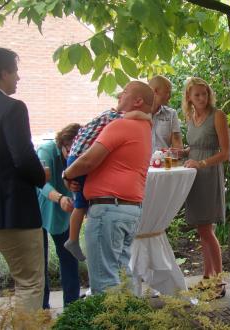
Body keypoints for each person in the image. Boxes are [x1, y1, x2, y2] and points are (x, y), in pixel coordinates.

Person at [62, 81, 154, 294]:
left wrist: (66, 174)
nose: (120, 94)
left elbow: (88, 161)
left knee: (105, 283)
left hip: (108, 210)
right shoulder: (144, 128)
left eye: (126, 92)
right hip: (129, 209)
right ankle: (131, 322)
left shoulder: (120, 125)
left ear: (138, 101)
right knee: (123, 276)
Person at [0, 47, 47, 311]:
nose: (18, 78)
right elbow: (23, 157)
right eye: (15, 72)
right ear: (3, 72)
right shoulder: (12, 108)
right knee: (29, 282)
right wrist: (42, 176)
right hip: (13, 211)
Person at [180, 77, 230, 295]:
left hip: (209, 174)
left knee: (208, 231)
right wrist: (184, 152)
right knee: (202, 230)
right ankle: (207, 277)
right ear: (189, 97)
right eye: (197, 94)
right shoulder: (190, 117)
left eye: (204, 93)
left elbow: (226, 153)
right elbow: (194, 146)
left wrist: (201, 162)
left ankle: (218, 284)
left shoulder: (217, 115)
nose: (202, 98)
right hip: (194, 176)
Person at [37, 123, 82, 309]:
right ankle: (42, 309)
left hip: (63, 214)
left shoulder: (79, 156)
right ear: (62, 144)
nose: (72, 154)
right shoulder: (46, 151)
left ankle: (72, 308)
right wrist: (60, 198)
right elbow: (41, 183)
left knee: (69, 257)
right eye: (70, 149)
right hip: (39, 208)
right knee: (39, 262)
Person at [148, 75, 183, 152]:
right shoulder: (137, 114)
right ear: (155, 91)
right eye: (167, 92)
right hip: (141, 163)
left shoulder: (171, 114)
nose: (170, 96)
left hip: (164, 162)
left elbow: (177, 143)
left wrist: (179, 154)